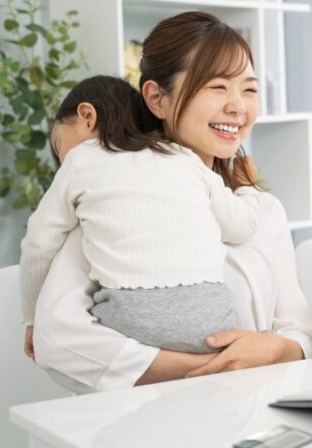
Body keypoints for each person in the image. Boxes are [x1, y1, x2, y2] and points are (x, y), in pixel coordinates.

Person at [30, 12, 312, 448]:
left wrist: (272, 347)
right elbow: (58, 337)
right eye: (216, 86)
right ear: (156, 98)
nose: (237, 106)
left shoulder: (262, 212)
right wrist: (199, 372)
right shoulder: (107, 212)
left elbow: (304, 339)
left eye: (248, 89)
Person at [21, 75, 260, 358]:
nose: (61, 162)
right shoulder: (183, 158)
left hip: (129, 323)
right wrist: (246, 186)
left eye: (59, 148)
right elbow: (241, 227)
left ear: (87, 116)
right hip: (213, 325)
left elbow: (38, 242)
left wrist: (32, 318)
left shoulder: (81, 159)